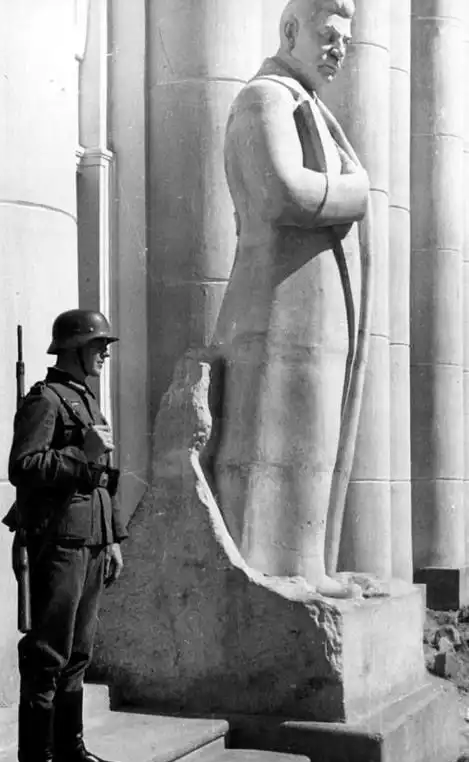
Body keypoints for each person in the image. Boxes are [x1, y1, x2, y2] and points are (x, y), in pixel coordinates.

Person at [212, 0, 370, 596]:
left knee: (312, 431)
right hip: (277, 301)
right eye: (328, 36)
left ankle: (307, 565)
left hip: (312, 305)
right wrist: (356, 195)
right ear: (289, 31)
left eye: (345, 43)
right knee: (274, 434)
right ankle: (274, 570)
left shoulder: (310, 106)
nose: (338, 50)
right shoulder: (266, 98)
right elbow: (282, 193)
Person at [7, 309, 127, 762]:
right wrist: (84, 453)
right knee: (48, 656)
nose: (105, 351)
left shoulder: (86, 401)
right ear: (73, 349)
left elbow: (101, 482)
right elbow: (24, 466)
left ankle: (70, 750)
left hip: (92, 543)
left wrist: (113, 536)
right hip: (58, 544)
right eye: (97, 344)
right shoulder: (46, 400)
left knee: (79, 654)